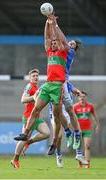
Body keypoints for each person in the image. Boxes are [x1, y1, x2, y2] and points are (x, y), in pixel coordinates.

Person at [14, 14, 72, 146]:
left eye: (54, 42)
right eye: (52, 43)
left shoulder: (63, 52)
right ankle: (25, 133)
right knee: (35, 109)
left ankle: (65, 133)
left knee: (57, 116)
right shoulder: (49, 52)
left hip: (58, 87)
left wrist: (54, 25)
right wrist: (47, 22)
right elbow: (47, 37)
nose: (52, 43)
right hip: (47, 85)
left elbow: (59, 38)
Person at [47, 14, 82, 155]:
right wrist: (51, 24)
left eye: (73, 43)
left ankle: (76, 134)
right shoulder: (59, 50)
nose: (70, 44)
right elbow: (53, 39)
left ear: (74, 48)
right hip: (57, 82)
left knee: (68, 110)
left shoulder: (69, 51)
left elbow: (60, 39)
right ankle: (69, 132)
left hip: (63, 82)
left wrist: (54, 24)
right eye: (71, 42)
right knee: (58, 111)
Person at [11, 69, 50, 168]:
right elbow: (23, 100)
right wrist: (33, 97)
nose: (36, 77)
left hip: (37, 117)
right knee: (23, 138)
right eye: (33, 76)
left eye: (37, 75)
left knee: (46, 133)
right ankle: (15, 160)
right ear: (30, 78)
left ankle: (29, 142)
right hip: (29, 117)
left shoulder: (37, 87)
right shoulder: (29, 86)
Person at [74, 91, 100, 168]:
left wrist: (98, 125)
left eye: (84, 96)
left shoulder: (90, 106)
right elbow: (72, 118)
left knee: (87, 146)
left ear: (86, 97)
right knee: (78, 146)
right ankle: (80, 163)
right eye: (81, 96)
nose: (82, 98)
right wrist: (72, 128)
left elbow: (95, 115)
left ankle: (87, 163)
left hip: (87, 129)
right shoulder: (75, 107)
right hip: (78, 129)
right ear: (78, 98)